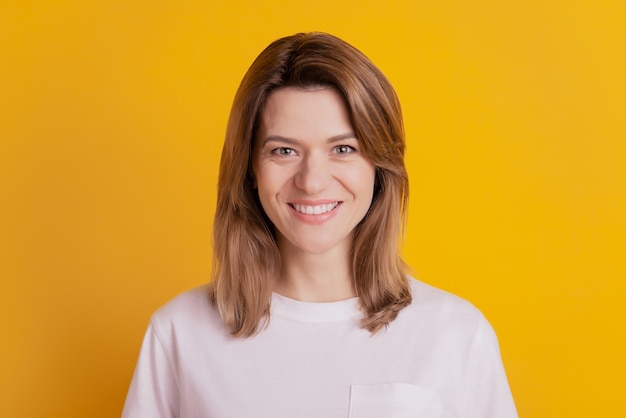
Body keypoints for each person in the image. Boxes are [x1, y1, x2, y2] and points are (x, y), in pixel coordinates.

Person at [122, 32, 518, 418]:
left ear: (379, 168)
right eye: (284, 150)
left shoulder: (456, 335)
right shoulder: (178, 334)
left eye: (343, 149)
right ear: (250, 171)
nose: (312, 181)